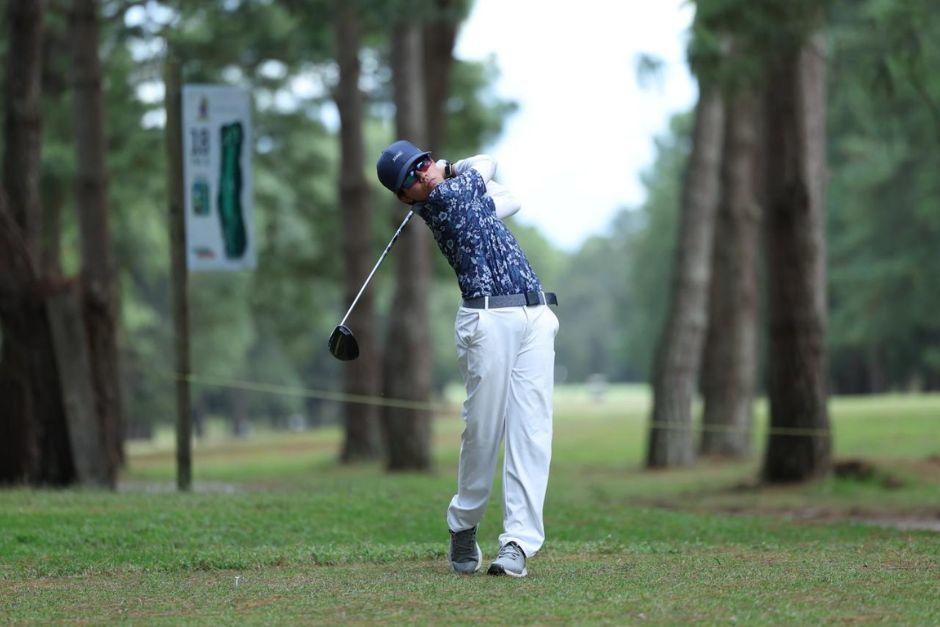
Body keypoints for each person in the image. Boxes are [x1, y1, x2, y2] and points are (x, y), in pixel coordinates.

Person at [376, 140, 559, 577]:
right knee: (483, 430)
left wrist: (466, 185)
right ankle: (464, 523)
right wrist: (449, 167)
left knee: (531, 430)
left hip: (535, 314)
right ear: (406, 198)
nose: (424, 174)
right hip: (487, 320)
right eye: (412, 178)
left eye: (422, 164)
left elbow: (511, 199)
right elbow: (486, 164)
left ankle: (517, 543)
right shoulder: (445, 199)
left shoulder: (464, 200)